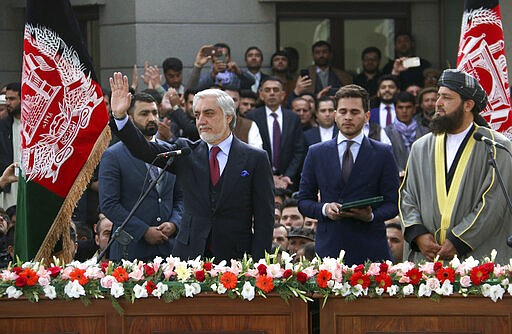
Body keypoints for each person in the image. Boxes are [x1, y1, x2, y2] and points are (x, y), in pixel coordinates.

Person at [109, 72, 274, 261]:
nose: (201, 121)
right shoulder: (185, 151)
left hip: (236, 257)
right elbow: (145, 150)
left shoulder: (255, 158)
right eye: (197, 115)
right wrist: (121, 117)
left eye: (209, 113)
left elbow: (264, 219)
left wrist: (260, 264)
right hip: (189, 257)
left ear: (228, 117)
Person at [400, 69, 512, 264]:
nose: (438, 104)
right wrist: (418, 234)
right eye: (438, 96)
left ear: (468, 105)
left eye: (447, 98)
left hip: (476, 260)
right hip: (428, 260)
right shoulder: (420, 147)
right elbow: (407, 195)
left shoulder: (495, 146)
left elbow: (494, 202)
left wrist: (459, 241)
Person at [298, 84, 399, 265]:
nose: (348, 117)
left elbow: (393, 203)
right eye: (343, 111)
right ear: (335, 115)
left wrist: (371, 216)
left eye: (354, 112)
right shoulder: (316, 153)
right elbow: (304, 201)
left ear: (366, 116)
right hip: (330, 249)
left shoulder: (383, 153)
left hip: (371, 250)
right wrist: (325, 209)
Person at [99, 92, 184, 261]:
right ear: (130, 118)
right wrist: (143, 231)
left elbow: (181, 197)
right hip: (130, 250)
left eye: (154, 113)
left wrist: (175, 223)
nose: (151, 118)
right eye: (144, 114)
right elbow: (109, 204)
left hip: (169, 249)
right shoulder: (113, 155)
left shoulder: (171, 151)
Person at [246, 77, 305, 191]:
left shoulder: (293, 118)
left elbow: (299, 151)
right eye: (267, 90)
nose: (272, 93)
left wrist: (288, 176)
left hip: (289, 181)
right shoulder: (251, 117)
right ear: (261, 94)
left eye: (276, 90)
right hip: (260, 179)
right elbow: (250, 151)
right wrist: (268, 175)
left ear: (283, 95)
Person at [385, 91, 430, 174]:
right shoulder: (386, 133)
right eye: (400, 107)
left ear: (414, 109)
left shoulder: (426, 132)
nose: (404, 111)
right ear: (395, 109)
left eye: (408, 107)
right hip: (396, 179)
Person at [186, 44, 255, 91]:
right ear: (212, 58)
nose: (221, 59)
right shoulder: (206, 76)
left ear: (230, 58)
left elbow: (252, 82)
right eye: (218, 55)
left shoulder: (236, 75)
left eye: (225, 55)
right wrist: (212, 75)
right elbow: (191, 90)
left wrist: (239, 72)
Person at [0, 83, 21, 210]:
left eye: (12, 99)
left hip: (28, 185)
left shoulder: (34, 129)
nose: (8, 103)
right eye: (6, 99)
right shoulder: (2, 127)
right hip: (8, 186)